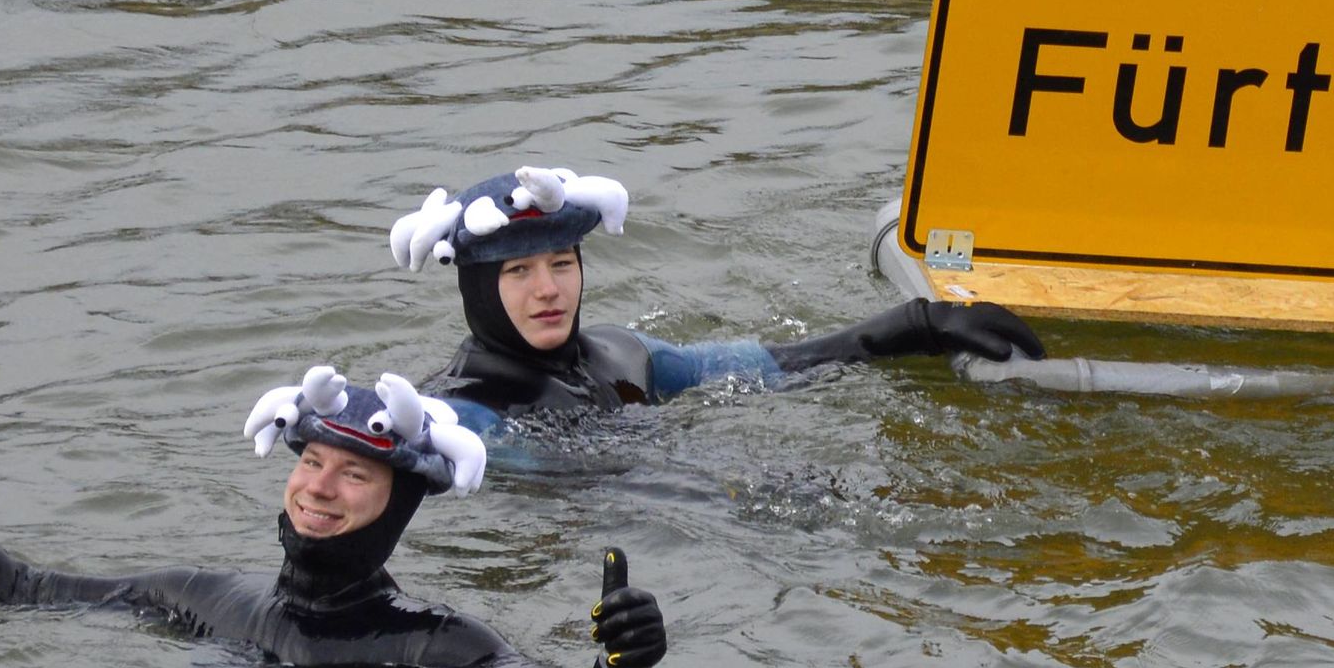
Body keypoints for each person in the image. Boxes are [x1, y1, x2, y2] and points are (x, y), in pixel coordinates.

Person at [0, 365, 667, 668]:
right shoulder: (201, 600)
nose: (318, 488)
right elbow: (7, 589)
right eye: (311, 462)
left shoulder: (443, 645)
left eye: (354, 476)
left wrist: (622, 667)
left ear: (400, 505)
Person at [383, 166, 1046, 429]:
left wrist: (917, 324)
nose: (549, 289)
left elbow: (779, 364)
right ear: (479, 290)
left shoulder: (621, 354)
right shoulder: (463, 416)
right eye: (518, 273)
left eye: (562, 263)